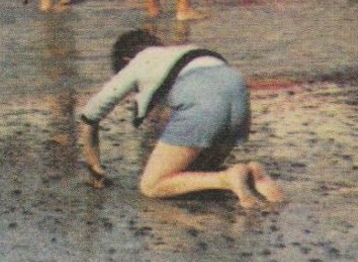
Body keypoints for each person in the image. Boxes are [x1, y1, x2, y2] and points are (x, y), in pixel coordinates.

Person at [77, 28, 284, 207]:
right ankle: (251, 175)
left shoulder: (141, 60)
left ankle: (228, 178)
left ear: (126, 60)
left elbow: (91, 114)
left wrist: (95, 165)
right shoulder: (186, 52)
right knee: (190, 174)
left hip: (203, 99)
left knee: (152, 186)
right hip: (238, 93)